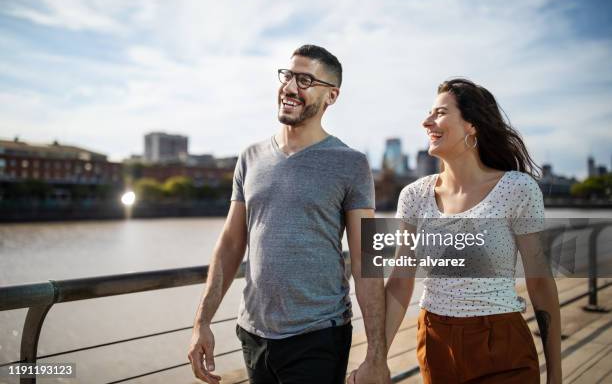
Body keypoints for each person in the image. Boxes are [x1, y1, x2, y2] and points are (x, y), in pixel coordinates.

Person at [187, 44, 391, 384]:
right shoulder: (250, 157)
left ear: (332, 96)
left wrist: (376, 355)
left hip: (318, 336)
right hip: (252, 335)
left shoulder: (350, 163)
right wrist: (202, 322)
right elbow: (230, 244)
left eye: (306, 80)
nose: (291, 87)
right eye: (288, 76)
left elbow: (366, 260)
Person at [384, 78, 562, 383]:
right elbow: (400, 281)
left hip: (501, 343)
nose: (426, 121)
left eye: (439, 113)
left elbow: (540, 283)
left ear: (471, 125)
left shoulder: (516, 189)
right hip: (434, 343)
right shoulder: (414, 196)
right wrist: (376, 358)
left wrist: (555, 375)